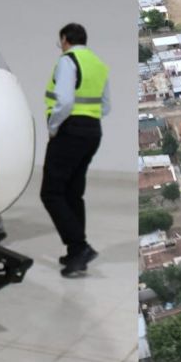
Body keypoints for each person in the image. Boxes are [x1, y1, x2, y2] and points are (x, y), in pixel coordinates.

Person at [41, 22, 110, 277]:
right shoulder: (98, 64)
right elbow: (106, 105)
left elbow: (65, 100)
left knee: (50, 193)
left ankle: (80, 248)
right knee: (73, 193)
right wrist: (88, 121)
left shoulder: (67, 61)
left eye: (60, 42)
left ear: (65, 39)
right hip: (93, 132)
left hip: (69, 131)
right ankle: (74, 252)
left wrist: (54, 125)